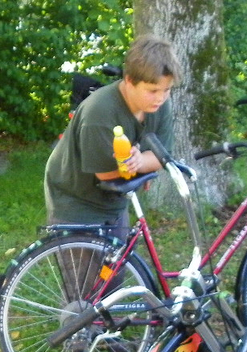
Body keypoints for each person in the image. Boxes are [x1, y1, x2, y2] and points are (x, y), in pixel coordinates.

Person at [44, 34, 181, 227]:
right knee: (87, 248)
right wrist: (142, 167)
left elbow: (162, 156)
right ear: (129, 80)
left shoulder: (158, 105)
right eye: (152, 91)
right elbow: (106, 173)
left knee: (119, 247)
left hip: (116, 200)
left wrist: (140, 162)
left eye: (166, 90)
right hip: (76, 204)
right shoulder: (99, 112)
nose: (160, 98)